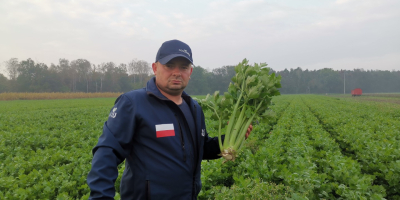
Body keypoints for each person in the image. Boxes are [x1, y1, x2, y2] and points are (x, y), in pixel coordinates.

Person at [87, 39, 252, 200]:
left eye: (183, 67)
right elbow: (107, 152)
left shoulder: (194, 108)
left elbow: (200, 149)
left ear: (190, 72)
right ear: (155, 67)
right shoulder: (133, 103)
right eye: (169, 66)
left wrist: (230, 139)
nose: (176, 73)